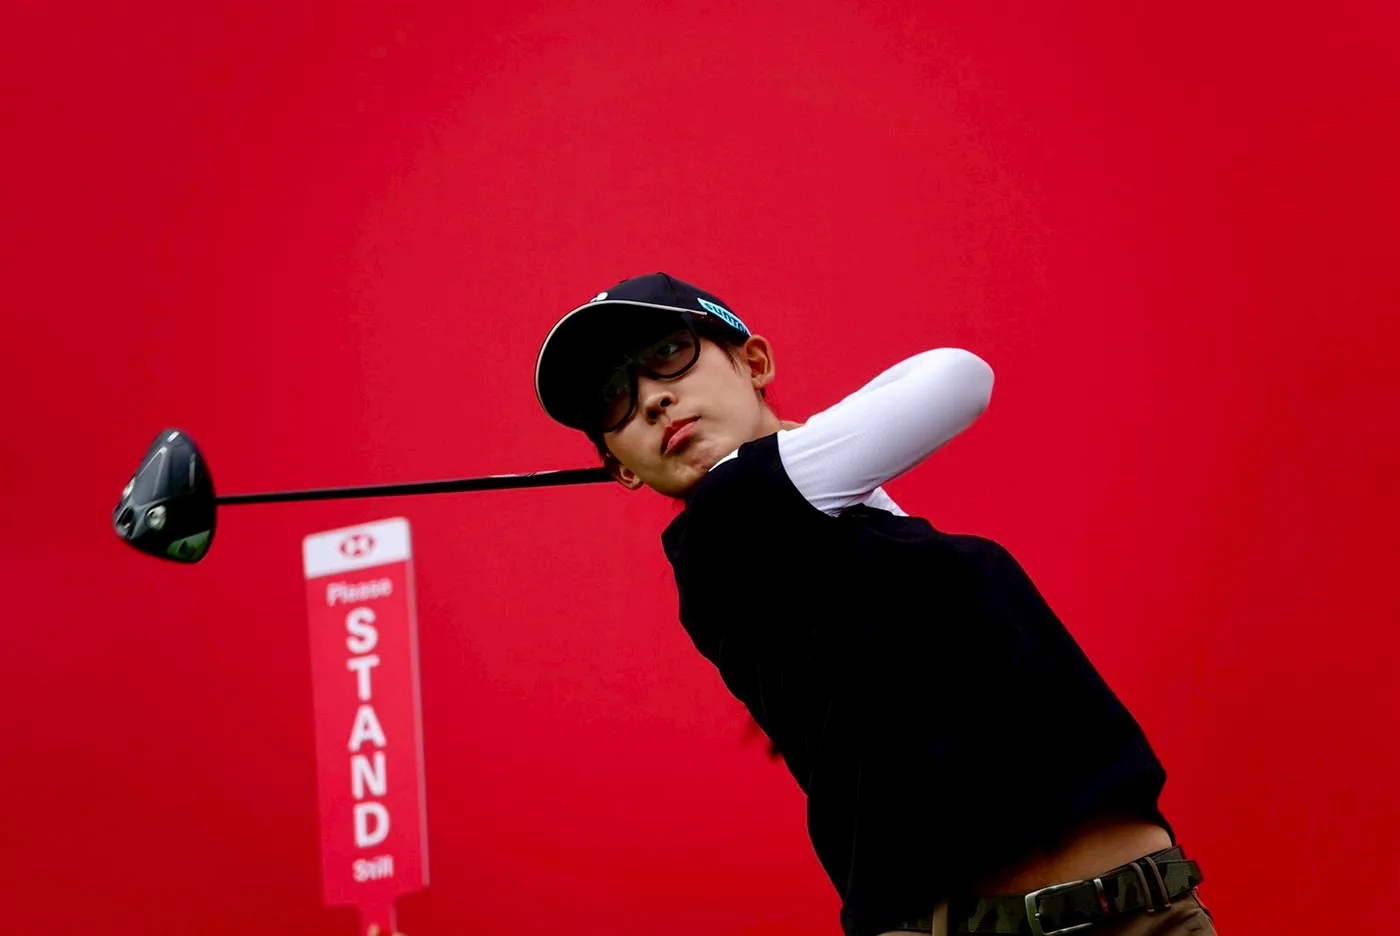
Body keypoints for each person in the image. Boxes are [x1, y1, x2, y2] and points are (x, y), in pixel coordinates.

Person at [533, 273, 1216, 936]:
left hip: (1151, 914)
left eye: (668, 354)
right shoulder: (730, 517)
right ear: (621, 468)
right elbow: (958, 376)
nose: (652, 398)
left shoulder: (844, 524)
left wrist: (790, 437)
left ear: (755, 360)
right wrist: (785, 434)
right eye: (614, 401)